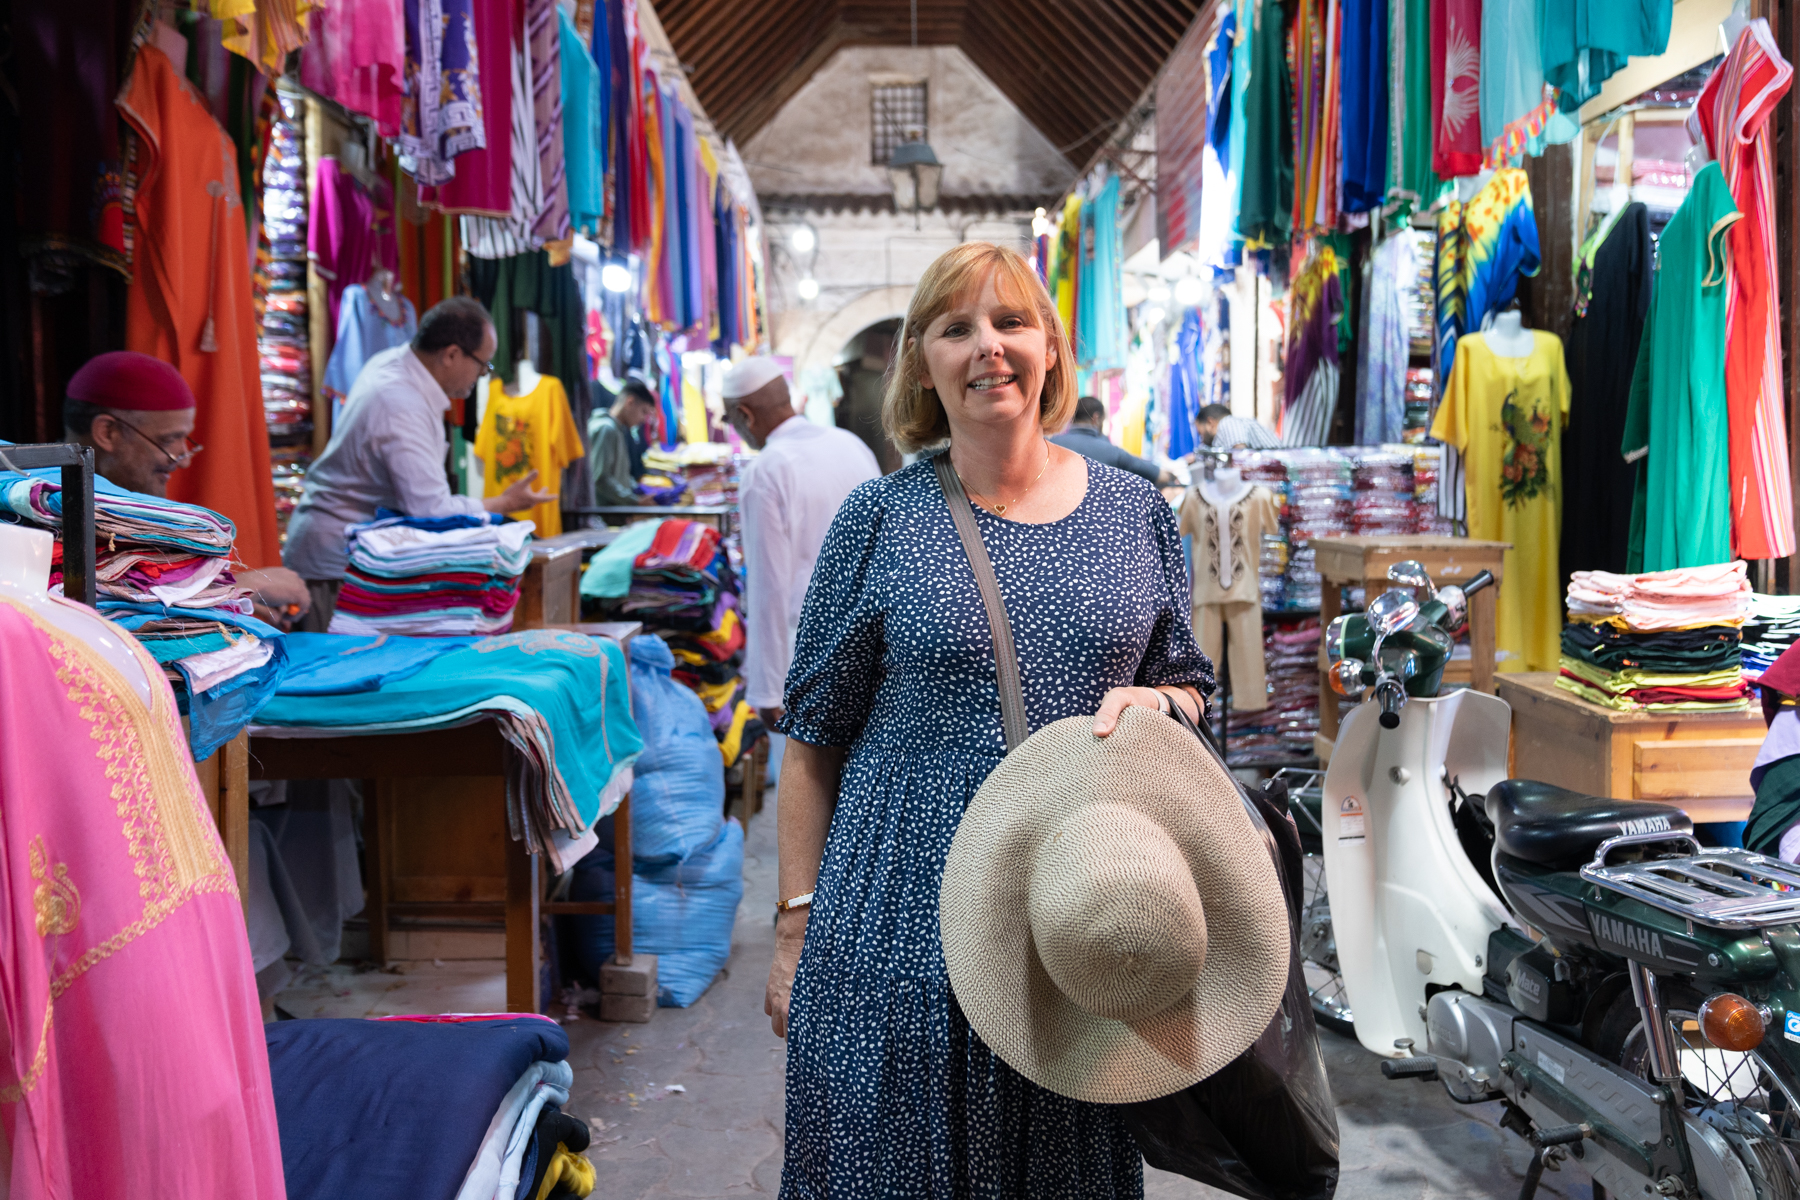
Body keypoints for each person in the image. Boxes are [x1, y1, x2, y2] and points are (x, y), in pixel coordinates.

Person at [764, 242, 1213, 1197]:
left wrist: (1160, 704)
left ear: (1051, 347)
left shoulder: (1135, 513)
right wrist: (793, 933)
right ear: (921, 360)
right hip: (897, 921)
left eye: (1011, 323)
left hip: (1073, 911)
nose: (988, 349)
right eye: (956, 328)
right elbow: (811, 743)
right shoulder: (880, 519)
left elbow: (1187, 680)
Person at [283, 297, 554, 631]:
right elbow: (431, 510)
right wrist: (502, 504)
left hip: (343, 553)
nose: (482, 375)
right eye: (483, 365)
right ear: (452, 354)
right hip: (336, 565)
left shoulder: (395, 364)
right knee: (340, 673)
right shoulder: (401, 402)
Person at [61, 350, 311, 629]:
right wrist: (236, 588)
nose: (185, 458)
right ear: (107, 432)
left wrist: (230, 608)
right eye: (169, 440)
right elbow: (83, 622)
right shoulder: (47, 515)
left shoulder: (132, 509)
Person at [722, 356, 879, 738]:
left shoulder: (766, 470)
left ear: (745, 414)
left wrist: (768, 689)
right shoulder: (850, 444)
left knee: (806, 791)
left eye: (730, 420)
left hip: (806, 659)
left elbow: (769, 586)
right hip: (873, 648)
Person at [1050, 394, 1174, 483]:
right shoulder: (1111, 451)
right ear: (1096, 418)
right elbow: (1157, 475)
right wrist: (1172, 476)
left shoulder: (1050, 445)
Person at [588, 378, 658, 507]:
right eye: (643, 412)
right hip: (605, 514)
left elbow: (619, 475)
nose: (643, 419)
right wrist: (633, 501)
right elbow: (601, 478)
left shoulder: (617, 429)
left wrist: (638, 489)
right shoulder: (606, 429)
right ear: (630, 402)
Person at [1197, 402, 1279, 449]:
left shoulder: (1227, 422)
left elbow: (1240, 453)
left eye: (1200, 433)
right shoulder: (1220, 437)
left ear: (1210, 423)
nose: (1201, 439)